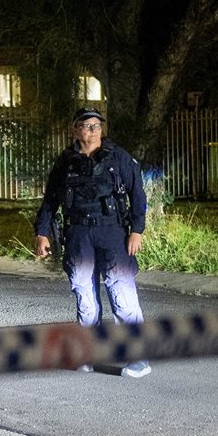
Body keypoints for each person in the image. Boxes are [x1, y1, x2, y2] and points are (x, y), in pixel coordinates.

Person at [33, 108, 151, 378]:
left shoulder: (118, 158)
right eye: (87, 125)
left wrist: (137, 231)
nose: (93, 130)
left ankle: (139, 358)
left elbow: (138, 194)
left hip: (112, 233)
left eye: (97, 125)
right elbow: (50, 200)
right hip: (78, 235)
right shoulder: (65, 162)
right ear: (75, 129)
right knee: (85, 295)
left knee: (121, 294)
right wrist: (43, 233)